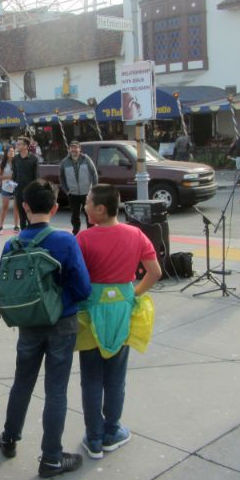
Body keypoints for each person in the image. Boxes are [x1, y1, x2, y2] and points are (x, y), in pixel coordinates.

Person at [0, 179, 91, 478]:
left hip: (28, 324)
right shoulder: (65, 241)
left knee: (22, 382)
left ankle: (9, 438)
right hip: (62, 323)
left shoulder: (12, 243)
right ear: (54, 206)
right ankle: (51, 458)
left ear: (24, 207)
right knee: (56, 390)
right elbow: (83, 287)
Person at [76, 184, 161, 459]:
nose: (85, 206)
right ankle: (113, 431)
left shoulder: (84, 239)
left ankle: (94, 438)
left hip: (90, 314)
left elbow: (75, 279)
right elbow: (155, 272)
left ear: (101, 209)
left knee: (90, 379)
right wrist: (132, 294)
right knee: (115, 377)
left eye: (88, 202)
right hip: (123, 311)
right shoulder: (135, 234)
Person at [59, 141, 99, 235]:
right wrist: (66, 190)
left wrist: (93, 189)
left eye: (76, 147)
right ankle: (76, 232)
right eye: (72, 147)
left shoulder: (86, 159)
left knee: (89, 214)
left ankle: (91, 232)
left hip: (86, 192)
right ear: (69, 149)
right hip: (72, 193)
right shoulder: (64, 162)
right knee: (75, 215)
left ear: (79, 149)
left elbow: (94, 174)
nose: (74, 149)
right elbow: (61, 177)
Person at [13, 137, 39, 231]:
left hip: (30, 192)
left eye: (19, 144)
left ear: (26, 146)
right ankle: (23, 235)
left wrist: (35, 191)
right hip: (19, 191)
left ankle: (32, 234)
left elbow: (36, 177)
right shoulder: (15, 159)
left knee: (30, 214)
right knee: (22, 215)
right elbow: (14, 175)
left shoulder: (34, 159)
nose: (17, 146)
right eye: (17, 144)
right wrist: (13, 188)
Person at [0, 146, 19, 234]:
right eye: (10, 151)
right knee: (5, 206)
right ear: (6, 153)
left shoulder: (17, 162)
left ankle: (16, 226)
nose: (12, 153)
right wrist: (9, 177)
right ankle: (1, 226)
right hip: (6, 186)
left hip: (16, 185)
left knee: (16, 206)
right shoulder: (2, 163)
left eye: (13, 151)